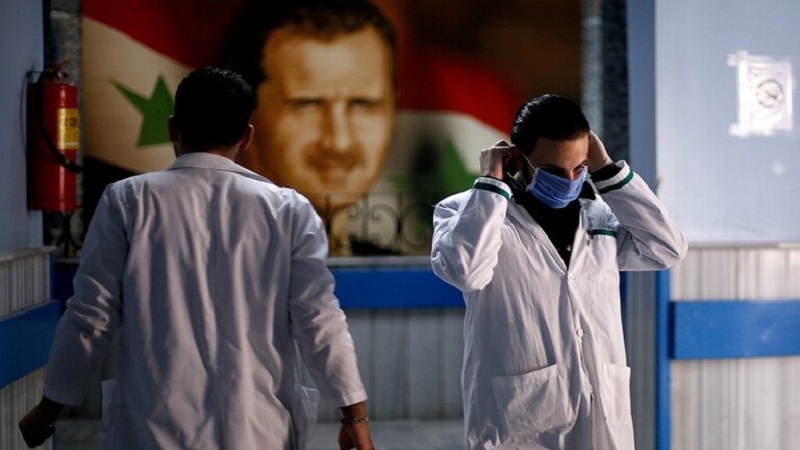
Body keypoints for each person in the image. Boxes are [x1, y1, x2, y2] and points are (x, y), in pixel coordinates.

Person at [18, 67, 374, 450]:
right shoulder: (289, 210)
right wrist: (353, 416)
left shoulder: (129, 201)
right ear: (246, 136)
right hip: (258, 431)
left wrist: (48, 409)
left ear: (173, 128)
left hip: (152, 431)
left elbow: (91, 315)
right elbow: (318, 318)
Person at [430, 94, 687, 449]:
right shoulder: (466, 212)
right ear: (517, 158)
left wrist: (606, 170)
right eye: (553, 171)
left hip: (601, 413)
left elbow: (667, 248)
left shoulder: (598, 215)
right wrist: (491, 182)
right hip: (521, 422)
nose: (569, 180)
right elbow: (466, 271)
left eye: (579, 168)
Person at [226, 0, 396, 254]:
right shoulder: (193, 266)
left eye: (362, 104)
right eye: (307, 104)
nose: (339, 142)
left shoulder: (419, 274)